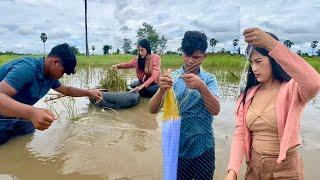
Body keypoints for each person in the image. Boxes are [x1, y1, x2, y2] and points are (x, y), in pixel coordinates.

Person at [225, 28, 320, 180]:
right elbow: (240, 134)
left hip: (285, 171)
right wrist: (233, 170)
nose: (254, 68)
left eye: (258, 61)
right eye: (251, 63)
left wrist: (271, 45)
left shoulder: (292, 90)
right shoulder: (248, 94)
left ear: (274, 60)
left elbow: (314, 83)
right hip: (254, 169)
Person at [149, 31, 220, 179]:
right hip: (177, 149)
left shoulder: (209, 79)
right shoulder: (172, 78)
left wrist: (202, 87)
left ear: (204, 56)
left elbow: (216, 110)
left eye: (196, 57)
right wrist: (161, 90)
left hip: (204, 148)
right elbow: (152, 109)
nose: (190, 61)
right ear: (182, 53)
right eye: (187, 55)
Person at [0, 43, 102, 145]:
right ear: (55, 62)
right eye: (63, 72)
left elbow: (67, 90)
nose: (62, 76)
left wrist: (89, 93)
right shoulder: (27, 69)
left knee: (23, 139)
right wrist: (32, 113)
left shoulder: (50, 77)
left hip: (18, 116)